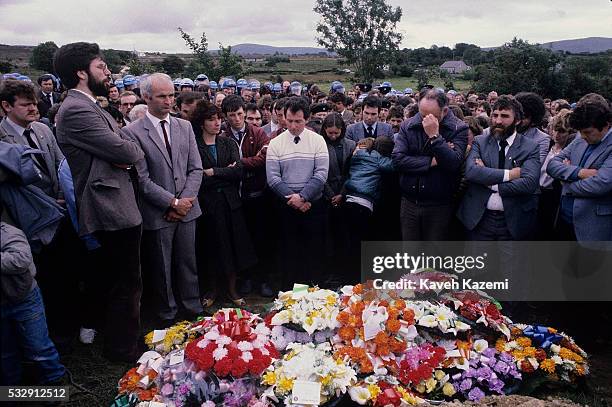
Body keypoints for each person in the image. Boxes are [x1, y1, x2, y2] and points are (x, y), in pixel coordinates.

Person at [54, 42, 145, 362]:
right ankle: (122, 349)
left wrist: (122, 149)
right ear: (81, 73)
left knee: (124, 279)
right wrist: (123, 152)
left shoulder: (91, 105)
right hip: (109, 206)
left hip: (117, 201)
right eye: (101, 67)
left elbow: (124, 144)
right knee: (126, 283)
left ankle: (122, 341)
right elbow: (129, 151)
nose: (107, 72)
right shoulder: (77, 109)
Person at [121, 73, 203, 325]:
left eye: (171, 95)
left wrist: (184, 202)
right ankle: (167, 313)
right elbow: (142, 180)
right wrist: (172, 203)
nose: (169, 101)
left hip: (187, 209)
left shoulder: (184, 126)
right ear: (146, 97)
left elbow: (195, 168)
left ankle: (192, 307)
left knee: (188, 262)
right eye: (162, 96)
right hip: (158, 212)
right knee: (162, 268)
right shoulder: (132, 132)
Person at [190, 100, 256, 306]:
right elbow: (196, 177)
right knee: (210, 246)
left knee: (232, 247)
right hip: (207, 205)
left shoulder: (228, 143)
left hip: (230, 204)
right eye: (211, 120)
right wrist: (222, 173)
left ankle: (232, 289)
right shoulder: (194, 145)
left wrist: (213, 172)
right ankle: (212, 290)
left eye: (219, 118)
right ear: (202, 123)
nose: (217, 123)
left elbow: (238, 172)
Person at [266, 96, 329, 289]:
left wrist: (303, 197)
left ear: (307, 119)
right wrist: (293, 199)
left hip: (313, 205)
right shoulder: (276, 143)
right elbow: (273, 178)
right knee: (288, 250)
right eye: (289, 121)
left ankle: (314, 292)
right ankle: (289, 293)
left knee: (313, 250)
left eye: (298, 121)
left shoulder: (318, 141)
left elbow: (321, 174)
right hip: (286, 206)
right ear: (283, 118)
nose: (293, 126)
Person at [457, 96, 541, 240]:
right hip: (479, 219)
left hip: (513, 220)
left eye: (505, 116)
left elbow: (529, 183)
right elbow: (471, 172)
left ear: (518, 120)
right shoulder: (480, 142)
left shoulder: (530, 147)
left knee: (510, 262)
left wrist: (489, 182)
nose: (498, 121)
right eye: (495, 115)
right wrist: (510, 175)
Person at [392, 88, 468, 240]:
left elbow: (453, 163)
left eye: (429, 115)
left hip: (439, 205)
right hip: (410, 202)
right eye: (421, 114)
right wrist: (431, 161)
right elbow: (397, 160)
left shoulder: (458, 128)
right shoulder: (408, 125)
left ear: (445, 111)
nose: (424, 120)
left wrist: (435, 137)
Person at [1, 220, 65, 386]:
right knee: (5, 353)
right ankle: (11, 393)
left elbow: (20, 260)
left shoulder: (8, 233)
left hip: (24, 300)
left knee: (39, 348)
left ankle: (53, 387)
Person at [220, 95, 271, 297]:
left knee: (261, 239)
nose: (237, 119)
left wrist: (240, 164)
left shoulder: (257, 133)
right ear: (225, 116)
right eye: (232, 115)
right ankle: (247, 278)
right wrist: (234, 168)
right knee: (242, 241)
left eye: (240, 114)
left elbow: (264, 158)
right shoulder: (222, 136)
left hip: (256, 195)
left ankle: (264, 278)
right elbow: (223, 166)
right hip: (234, 197)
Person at [546, 93, 612, 241]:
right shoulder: (580, 137)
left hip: (593, 228)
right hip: (565, 219)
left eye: (587, 132)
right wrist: (580, 172)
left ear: (606, 125)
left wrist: (565, 184)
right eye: (580, 132)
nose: (582, 136)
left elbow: (601, 184)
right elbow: (552, 165)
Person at [344, 136, 395, 276]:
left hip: (349, 200)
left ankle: (348, 275)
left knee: (350, 241)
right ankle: (358, 276)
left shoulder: (358, 154)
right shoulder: (379, 158)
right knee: (361, 243)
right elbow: (393, 166)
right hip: (364, 203)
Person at [321, 113, 355, 286]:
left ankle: (345, 272)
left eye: (336, 133)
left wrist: (342, 193)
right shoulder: (320, 145)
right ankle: (329, 273)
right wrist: (330, 194)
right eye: (330, 133)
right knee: (328, 237)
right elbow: (319, 172)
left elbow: (352, 171)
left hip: (346, 193)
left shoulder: (350, 145)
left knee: (345, 237)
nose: (333, 136)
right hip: (326, 194)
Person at [538, 110, 575, 240]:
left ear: (569, 133)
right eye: (555, 130)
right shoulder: (546, 145)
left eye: (562, 131)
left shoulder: (569, 153)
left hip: (554, 196)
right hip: (538, 193)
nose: (557, 134)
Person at [515, 92, 551, 165]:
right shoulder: (502, 132)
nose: (518, 121)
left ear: (533, 120)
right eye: (516, 116)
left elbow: (533, 167)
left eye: (524, 117)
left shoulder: (542, 139)